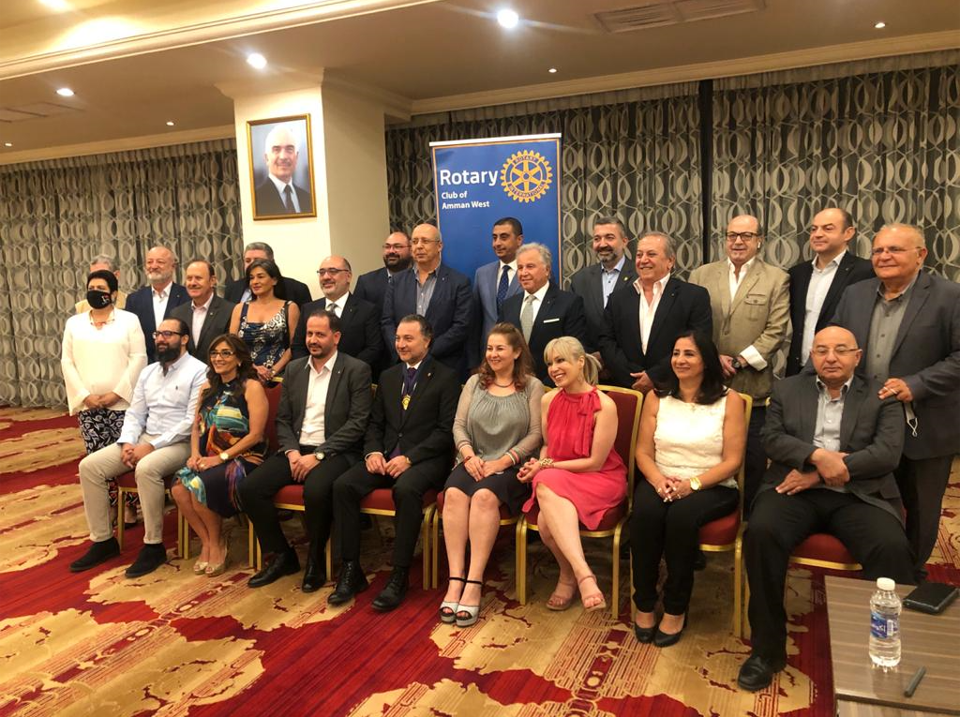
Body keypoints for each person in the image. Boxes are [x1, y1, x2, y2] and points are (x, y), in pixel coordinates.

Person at [737, 326, 915, 691]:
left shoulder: (882, 395)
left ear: (857, 356)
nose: (830, 357)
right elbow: (772, 439)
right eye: (821, 350)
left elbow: (886, 454)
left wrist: (817, 476)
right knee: (762, 533)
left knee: (892, 546)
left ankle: (883, 649)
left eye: (840, 350)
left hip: (859, 493)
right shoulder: (787, 389)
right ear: (811, 355)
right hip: (792, 489)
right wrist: (817, 456)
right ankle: (766, 650)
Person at [832, 223, 959, 578]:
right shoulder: (855, 294)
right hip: (864, 425)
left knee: (920, 508)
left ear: (921, 255)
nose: (884, 256)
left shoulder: (950, 296)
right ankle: (875, 569)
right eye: (878, 250)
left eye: (894, 250)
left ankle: (909, 576)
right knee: (868, 501)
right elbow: (833, 344)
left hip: (925, 424)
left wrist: (916, 384)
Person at [328, 315, 460, 611]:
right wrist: (373, 452)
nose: (400, 344)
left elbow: (445, 432)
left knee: (406, 490)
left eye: (408, 338)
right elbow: (374, 424)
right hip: (385, 456)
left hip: (425, 460)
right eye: (398, 338)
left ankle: (399, 575)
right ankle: (351, 570)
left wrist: (410, 458)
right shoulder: (387, 377)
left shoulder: (446, 377)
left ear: (427, 341)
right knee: (343, 485)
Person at [240, 311, 372, 592]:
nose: (312, 340)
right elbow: (283, 419)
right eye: (309, 334)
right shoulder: (295, 369)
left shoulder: (356, 369)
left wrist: (319, 455)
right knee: (250, 488)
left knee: (316, 490)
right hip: (296, 450)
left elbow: (357, 423)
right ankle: (282, 555)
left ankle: (316, 560)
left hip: (337, 452)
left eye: (320, 334)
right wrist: (291, 453)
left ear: (336, 337)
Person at [630, 331, 746, 647]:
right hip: (661, 478)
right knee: (645, 514)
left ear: (706, 361)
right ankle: (644, 602)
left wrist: (691, 485)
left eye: (689, 354)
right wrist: (658, 480)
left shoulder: (730, 400)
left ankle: (675, 607)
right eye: (676, 353)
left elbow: (733, 461)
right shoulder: (657, 396)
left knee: (681, 518)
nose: (680, 360)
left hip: (712, 484)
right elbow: (643, 452)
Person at [70, 317, 207, 577]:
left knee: (146, 468)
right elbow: (135, 413)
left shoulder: (199, 371)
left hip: (181, 444)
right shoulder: (149, 372)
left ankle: (153, 545)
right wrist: (127, 442)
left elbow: (191, 421)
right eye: (158, 334)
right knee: (89, 466)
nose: (161, 339)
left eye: (168, 334)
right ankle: (103, 541)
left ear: (184, 339)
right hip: (143, 439)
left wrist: (151, 446)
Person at [439, 323, 543, 627]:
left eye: (500, 348)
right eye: (489, 348)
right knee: (454, 495)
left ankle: (474, 582)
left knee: (484, 497)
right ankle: (455, 579)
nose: (493, 354)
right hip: (473, 459)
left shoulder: (533, 386)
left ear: (516, 352)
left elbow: (536, 434)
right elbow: (458, 425)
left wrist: (503, 461)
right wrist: (468, 455)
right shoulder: (474, 382)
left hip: (511, 466)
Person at [517, 337, 627, 612]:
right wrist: (539, 464)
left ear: (580, 362)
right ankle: (579, 573)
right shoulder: (548, 400)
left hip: (599, 478)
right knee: (545, 520)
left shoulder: (604, 405)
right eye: (550, 363)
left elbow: (595, 463)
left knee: (545, 489)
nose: (553, 369)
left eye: (560, 361)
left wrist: (545, 467)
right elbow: (547, 446)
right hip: (558, 476)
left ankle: (574, 576)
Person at [689, 214, 790, 512]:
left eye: (746, 235)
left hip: (752, 386)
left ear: (760, 240)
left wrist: (739, 360)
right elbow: (692, 326)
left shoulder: (776, 278)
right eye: (732, 235)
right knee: (705, 453)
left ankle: (748, 519)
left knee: (753, 459)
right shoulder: (701, 275)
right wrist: (712, 357)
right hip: (706, 382)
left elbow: (776, 330)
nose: (738, 241)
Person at [171, 335, 268, 577]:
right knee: (178, 489)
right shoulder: (206, 388)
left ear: (239, 359)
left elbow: (256, 435)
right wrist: (195, 454)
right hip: (208, 459)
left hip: (244, 458)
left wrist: (220, 458)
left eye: (226, 353)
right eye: (214, 353)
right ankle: (209, 542)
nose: (218, 358)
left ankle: (215, 545)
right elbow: (197, 427)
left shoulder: (251, 387)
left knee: (198, 485)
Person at [62, 269, 147, 527]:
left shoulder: (129, 320)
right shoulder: (74, 323)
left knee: (125, 455)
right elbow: (67, 361)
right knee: (96, 456)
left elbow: (138, 358)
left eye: (101, 288)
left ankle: (130, 506)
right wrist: (84, 396)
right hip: (89, 406)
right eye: (91, 288)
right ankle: (109, 505)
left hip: (123, 404)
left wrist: (116, 393)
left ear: (113, 293)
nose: (95, 292)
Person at [599, 231, 712, 392]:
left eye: (651, 254)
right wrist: (632, 376)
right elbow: (606, 341)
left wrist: (654, 376)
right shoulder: (618, 298)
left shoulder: (693, 296)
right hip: (628, 389)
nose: (643, 260)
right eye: (639, 255)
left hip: (675, 388)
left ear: (670, 261)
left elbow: (698, 342)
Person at [785, 208, 874, 376]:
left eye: (827, 228)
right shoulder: (797, 273)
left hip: (842, 371)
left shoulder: (866, 272)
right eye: (814, 229)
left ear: (848, 233)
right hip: (800, 369)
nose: (817, 234)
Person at [382, 223, 472, 371]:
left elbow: (461, 326)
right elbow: (387, 322)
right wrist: (402, 348)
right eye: (415, 241)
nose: (419, 246)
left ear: (439, 246)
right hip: (403, 365)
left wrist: (425, 351)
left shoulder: (458, 282)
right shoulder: (397, 281)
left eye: (425, 241)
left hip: (443, 364)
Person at [499, 243, 587, 386]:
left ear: (547, 270)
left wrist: (545, 386)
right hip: (513, 385)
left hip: (553, 386)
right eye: (520, 268)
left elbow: (575, 351)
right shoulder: (509, 305)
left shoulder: (569, 302)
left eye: (530, 266)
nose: (523, 273)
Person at [292, 255, 383, 367]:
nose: (326, 277)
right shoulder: (308, 309)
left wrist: (344, 370)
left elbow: (373, 348)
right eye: (322, 272)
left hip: (352, 375)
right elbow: (298, 346)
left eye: (333, 271)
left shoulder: (367, 310)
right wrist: (312, 368)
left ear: (348, 276)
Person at [569, 216, 636, 354]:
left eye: (609, 238)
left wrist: (610, 357)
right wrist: (591, 358)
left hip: (629, 361)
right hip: (590, 361)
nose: (602, 244)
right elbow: (575, 326)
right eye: (597, 239)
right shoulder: (580, 280)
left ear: (624, 242)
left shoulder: (639, 276)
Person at [229, 258, 300, 383]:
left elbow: (294, 346)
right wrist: (253, 369)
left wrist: (272, 371)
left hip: (280, 377)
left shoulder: (290, 307)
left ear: (274, 280)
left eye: (260, 277)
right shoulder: (239, 308)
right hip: (245, 377)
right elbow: (232, 345)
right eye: (251, 278)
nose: (255, 282)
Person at [468, 217, 524, 367]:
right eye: (494, 238)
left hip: (521, 357)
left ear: (519, 240)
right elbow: (475, 323)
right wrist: (474, 364)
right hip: (488, 358)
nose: (497, 243)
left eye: (504, 237)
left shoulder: (531, 273)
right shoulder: (482, 274)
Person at [125, 246, 189, 363]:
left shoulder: (187, 296)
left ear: (173, 267)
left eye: (160, 262)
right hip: (145, 366)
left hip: (180, 364)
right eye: (150, 262)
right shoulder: (134, 299)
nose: (154, 266)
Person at [170, 260, 235, 360]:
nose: (193, 283)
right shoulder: (177, 313)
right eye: (189, 278)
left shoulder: (230, 310)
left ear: (212, 281)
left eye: (198, 278)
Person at [224, 242, 312, 307]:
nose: (252, 264)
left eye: (257, 260)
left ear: (272, 263)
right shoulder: (232, 288)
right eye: (247, 261)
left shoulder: (297, 289)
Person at [253, 124, 314, 216]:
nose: (283, 157)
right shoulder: (255, 199)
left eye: (289, 149)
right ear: (266, 158)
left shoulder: (308, 198)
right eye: (276, 150)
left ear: (296, 157)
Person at [354, 231, 413, 314]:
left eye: (397, 246)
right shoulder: (366, 282)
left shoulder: (419, 279)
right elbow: (357, 316)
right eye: (387, 247)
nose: (391, 251)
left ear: (411, 250)